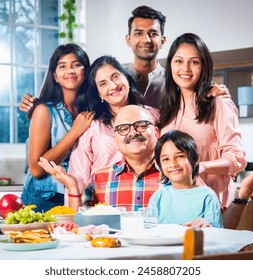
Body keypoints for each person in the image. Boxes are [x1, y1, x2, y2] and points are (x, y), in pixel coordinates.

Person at [38, 105, 253, 229]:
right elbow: (81, 228)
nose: (133, 132)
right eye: (123, 129)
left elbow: (219, 227)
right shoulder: (99, 179)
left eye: (141, 125)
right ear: (115, 139)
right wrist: (72, 186)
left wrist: (243, 194)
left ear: (155, 132)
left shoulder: (180, 174)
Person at [19, 6, 227, 112]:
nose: (146, 39)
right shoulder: (115, 79)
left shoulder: (176, 78)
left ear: (162, 40)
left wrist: (212, 90)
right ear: (128, 39)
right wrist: (43, 104)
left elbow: (196, 96)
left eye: (153, 34)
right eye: (138, 33)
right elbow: (79, 97)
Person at [159, 33, 247, 208]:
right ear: (170, 65)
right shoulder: (168, 108)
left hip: (213, 202)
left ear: (203, 66)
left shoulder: (218, 102)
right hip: (177, 204)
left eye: (194, 62)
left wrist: (201, 167)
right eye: (179, 61)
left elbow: (236, 158)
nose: (185, 68)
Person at [67, 55, 159, 194]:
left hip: (149, 195)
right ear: (99, 94)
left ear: (127, 78)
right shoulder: (92, 126)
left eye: (115, 77)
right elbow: (78, 175)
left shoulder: (153, 116)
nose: (113, 86)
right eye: (103, 84)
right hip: (103, 201)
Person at [21, 44, 95, 212]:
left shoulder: (92, 110)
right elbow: (36, 169)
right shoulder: (44, 111)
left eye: (76, 65)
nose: (70, 71)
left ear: (86, 71)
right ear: (55, 76)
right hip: (47, 198)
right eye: (63, 66)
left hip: (81, 196)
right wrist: (75, 132)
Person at [149, 130, 223, 228]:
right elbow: (149, 231)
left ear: (195, 160)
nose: (173, 164)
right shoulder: (158, 197)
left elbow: (217, 234)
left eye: (180, 156)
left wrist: (206, 225)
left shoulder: (207, 196)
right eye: (166, 159)